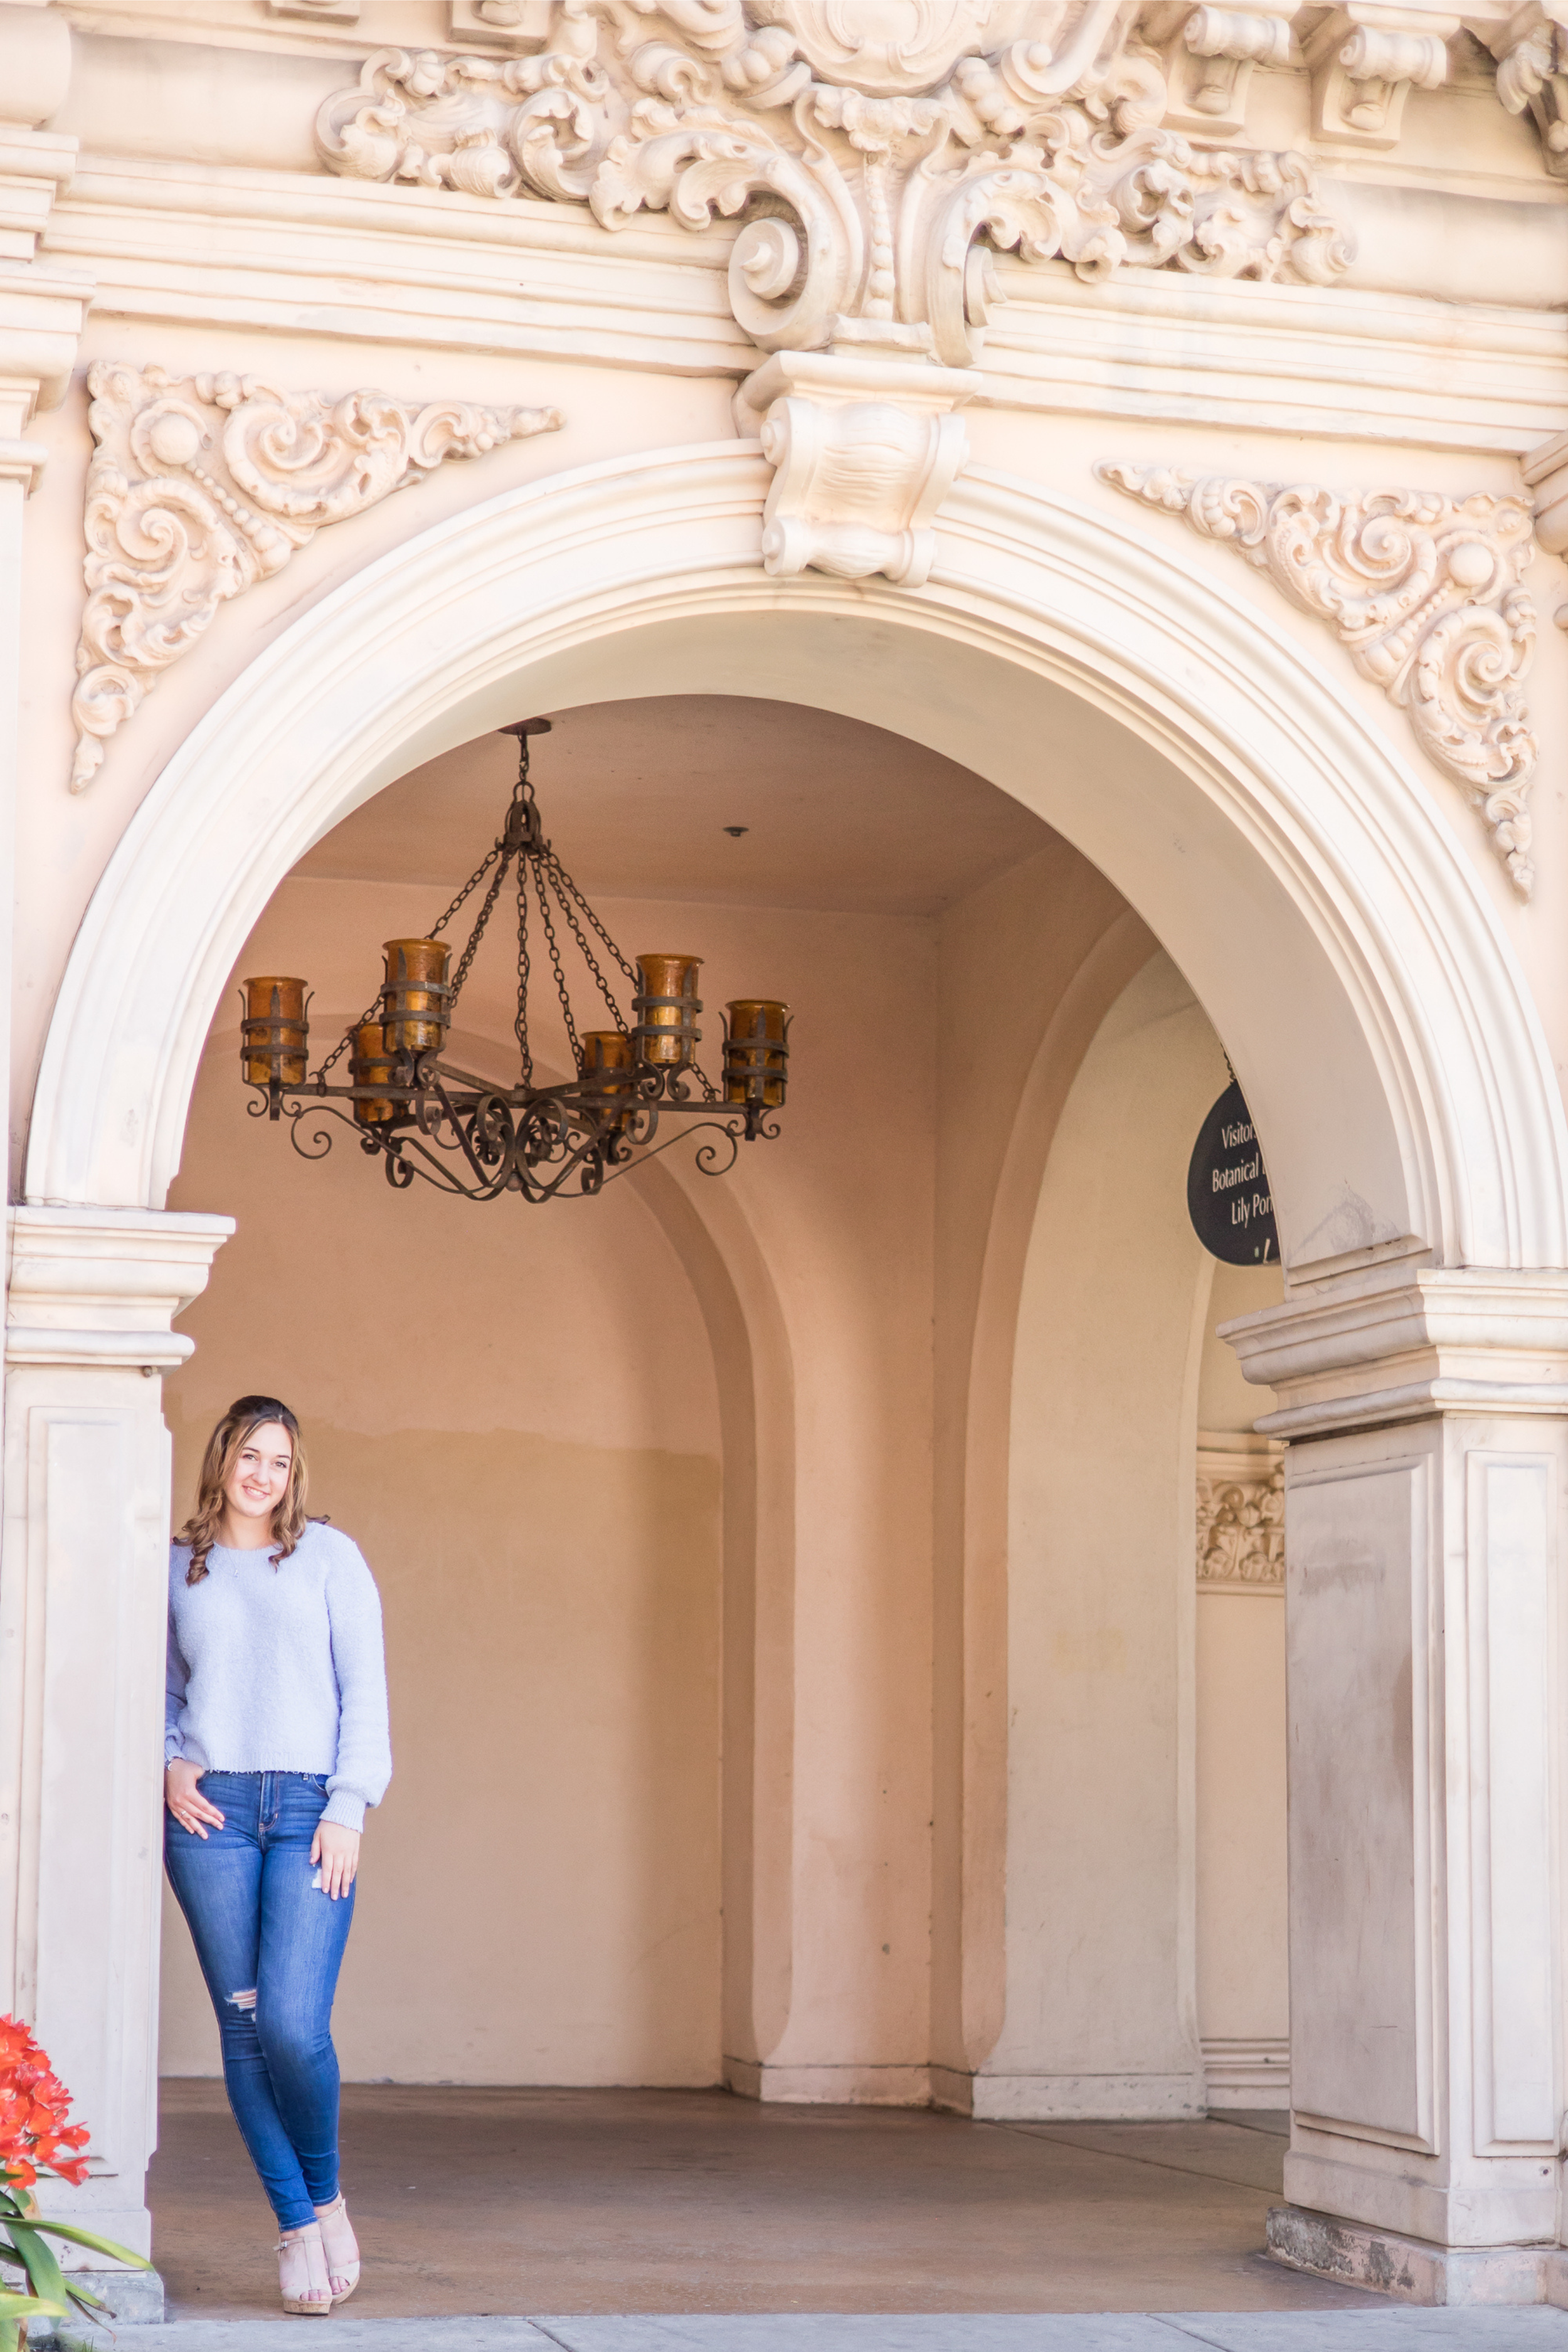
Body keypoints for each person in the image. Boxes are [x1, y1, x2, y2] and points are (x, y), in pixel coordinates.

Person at [163, 1396, 391, 2317]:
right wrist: (166, 1759)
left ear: (296, 1475)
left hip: (308, 1811)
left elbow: (364, 1689)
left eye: (280, 1462)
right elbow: (150, 1685)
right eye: (250, 1455)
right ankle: (298, 2225)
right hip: (210, 1813)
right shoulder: (177, 1568)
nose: (263, 1474)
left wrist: (350, 1805)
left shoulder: (330, 1558)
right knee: (246, 2026)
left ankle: (328, 2194)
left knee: (295, 2024)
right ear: (222, 1458)